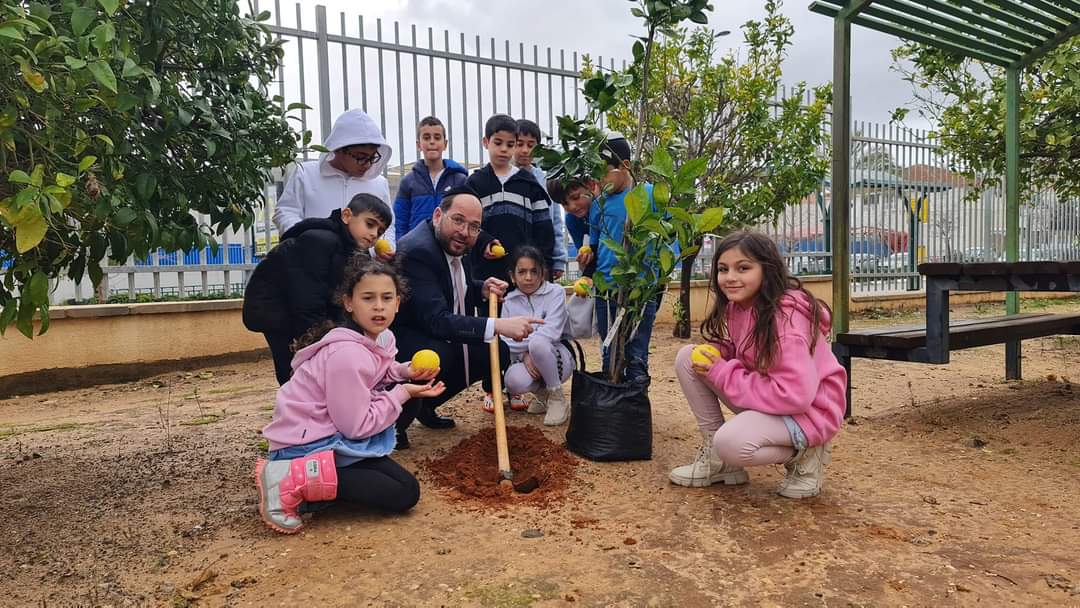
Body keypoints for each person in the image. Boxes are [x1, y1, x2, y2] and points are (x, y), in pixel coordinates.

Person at [256, 256, 446, 534]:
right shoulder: (347, 354)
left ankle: (318, 487)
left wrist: (406, 372)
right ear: (349, 303)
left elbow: (380, 370)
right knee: (404, 492)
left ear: (398, 303)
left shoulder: (381, 338)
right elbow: (355, 427)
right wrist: (402, 392)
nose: (378, 306)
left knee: (401, 485)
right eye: (368, 298)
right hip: (304, 445)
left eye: (386, 297)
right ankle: (285, 479)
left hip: (329, 433)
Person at [668, 231, 847, 499]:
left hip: (809, 411)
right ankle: (721, 462)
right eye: (723, 269)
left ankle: (806, 453)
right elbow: (749, 353)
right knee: (689, 358)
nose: (730, 277)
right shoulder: (741, 307)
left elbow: (795, 396)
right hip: (775, 397)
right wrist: (721, 352)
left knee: (731, 442)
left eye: (743, 268)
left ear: (767, 269)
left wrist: (721, 370)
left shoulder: (785, 322)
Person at [391, 186, 544, 447]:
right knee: (442, 354)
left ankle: (425, 406)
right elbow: (436, 319)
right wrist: (498, 324)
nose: (465, 231)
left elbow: (450, 287)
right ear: (438, 215)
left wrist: (480, 287)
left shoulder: (455, 245)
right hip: (401, 341)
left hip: (429, 329)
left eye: (474, 226)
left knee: (493, 353)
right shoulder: (418, 251)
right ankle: (394, 421)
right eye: (458, 220)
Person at [243, 194, 392, 385]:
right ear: (346, 216)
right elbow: (306, 296)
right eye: (370, 224)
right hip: (276, 310)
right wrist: (320, 338)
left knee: (311, 364)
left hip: (302, 309)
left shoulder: (353, 249)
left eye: (380, 232)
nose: (374, 234)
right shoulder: (319, 241)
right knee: (295, 366)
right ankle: (295, 407)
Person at [586, 133, 666, 382]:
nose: (600, 180)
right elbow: (596, 245)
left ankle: (635, 403)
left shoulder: (651, 195)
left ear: (625, 166)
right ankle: (613, 402)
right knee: (610, 351)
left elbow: (668, 233)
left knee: (637, 351)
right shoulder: (599, 205)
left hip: (640, 288)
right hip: (607, 287)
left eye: (605, 172)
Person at [273, 109, 397, 253]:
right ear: (339, 149)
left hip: (360, 268)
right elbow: (285, 211)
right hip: (314, 261)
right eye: (360, 157)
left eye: (372, 157)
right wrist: (305, 240)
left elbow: (388, 225)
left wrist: (383, 249)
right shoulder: (306, 174)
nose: (368, 164)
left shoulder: (378, 183)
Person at [465, 114, 555, 283]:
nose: (504, 149)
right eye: (498, 143)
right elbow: (469, 225)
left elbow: (544, 229)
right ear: (485, 142)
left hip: (525, 275)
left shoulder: (528, 183)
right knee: (491, 310)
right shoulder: (474, 183)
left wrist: (544, 265)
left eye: (510, 144)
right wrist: (484, 242)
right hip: (486, 274)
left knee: (527, 311)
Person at [498, 245, 574, 425]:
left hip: (557, 356)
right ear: (512, 276)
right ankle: (543, 395)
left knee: (539, 343)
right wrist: (524, 355)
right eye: (522, 272)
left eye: (534, 271)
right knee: (512, 381)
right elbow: (505, 339)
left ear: (543, 273)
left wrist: (529, 347)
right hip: (526, 359)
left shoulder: (556, 293)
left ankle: (557, 397)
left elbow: (552, 332)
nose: (528, 277)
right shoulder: (509, 301)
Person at [393, 116, 469, 238]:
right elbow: (400, 220)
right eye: (426, 137)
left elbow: (468, 215)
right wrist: (401, 248)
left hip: (450, 245)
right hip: (417, 247)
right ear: (419, 144)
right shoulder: (408, 182)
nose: (432, 141)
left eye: (437, 137)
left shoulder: (460, 180)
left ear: (445, 144)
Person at [514, 119, 567, 280]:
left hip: (542, 258)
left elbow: (556, 221)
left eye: (530, 145)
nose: (525, 150)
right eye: (519, 144)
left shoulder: (545, 179)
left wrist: (558, 260)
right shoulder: (504, 177)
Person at [547, 177, 598, 279]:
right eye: (565, 203)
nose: (572, 206)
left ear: (590, 186)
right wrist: (585, 259)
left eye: (575, 197)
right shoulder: (572, 220)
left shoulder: (604, 208)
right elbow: (583, 249)